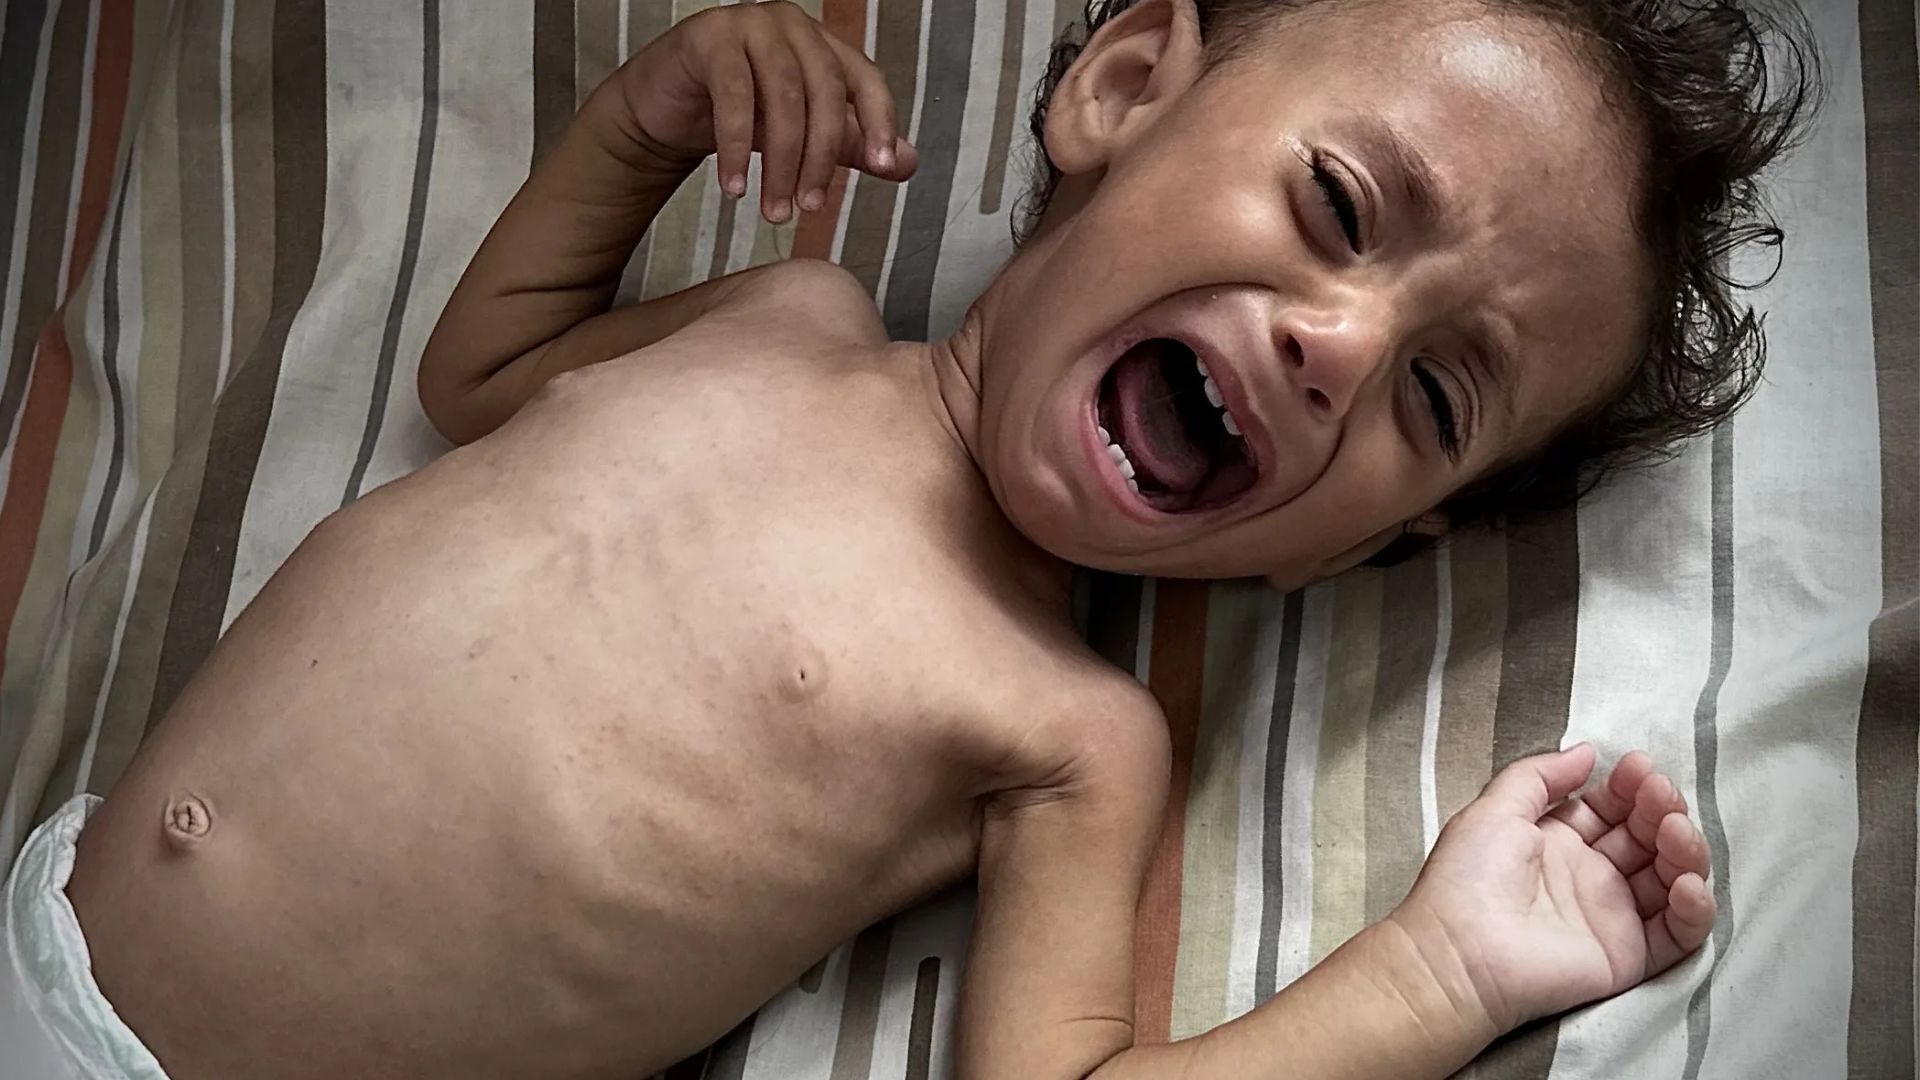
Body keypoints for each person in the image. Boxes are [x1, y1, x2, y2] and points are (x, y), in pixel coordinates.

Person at [3, 1, 1814, 1077]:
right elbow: (482, 372)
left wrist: (1440, 974)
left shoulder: (1066, 735)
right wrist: (641, 122)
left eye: (1434, 395)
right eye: (1340, 205)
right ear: (1122, 89)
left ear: (1340, 558)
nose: (1338, 347)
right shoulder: (775, 315)